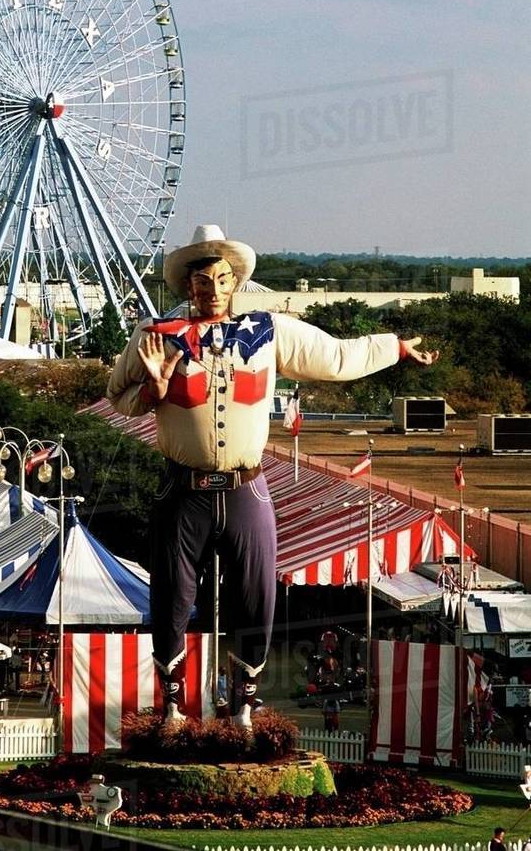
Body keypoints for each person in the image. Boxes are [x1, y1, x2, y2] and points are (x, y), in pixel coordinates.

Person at [107, 224, 439, 728]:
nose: (212, 290)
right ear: (187, 286)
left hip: (246, 488)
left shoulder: (268, 332)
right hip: (184, 489)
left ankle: (244, 702)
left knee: (256, 594)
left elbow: (336, 356)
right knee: (172, 594)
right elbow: (120, 398)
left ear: (234, 281)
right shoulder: (156, 337)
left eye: (221, 279)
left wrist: (392, 347)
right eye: (202, 281)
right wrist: (155, 388)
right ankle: (171, 704)